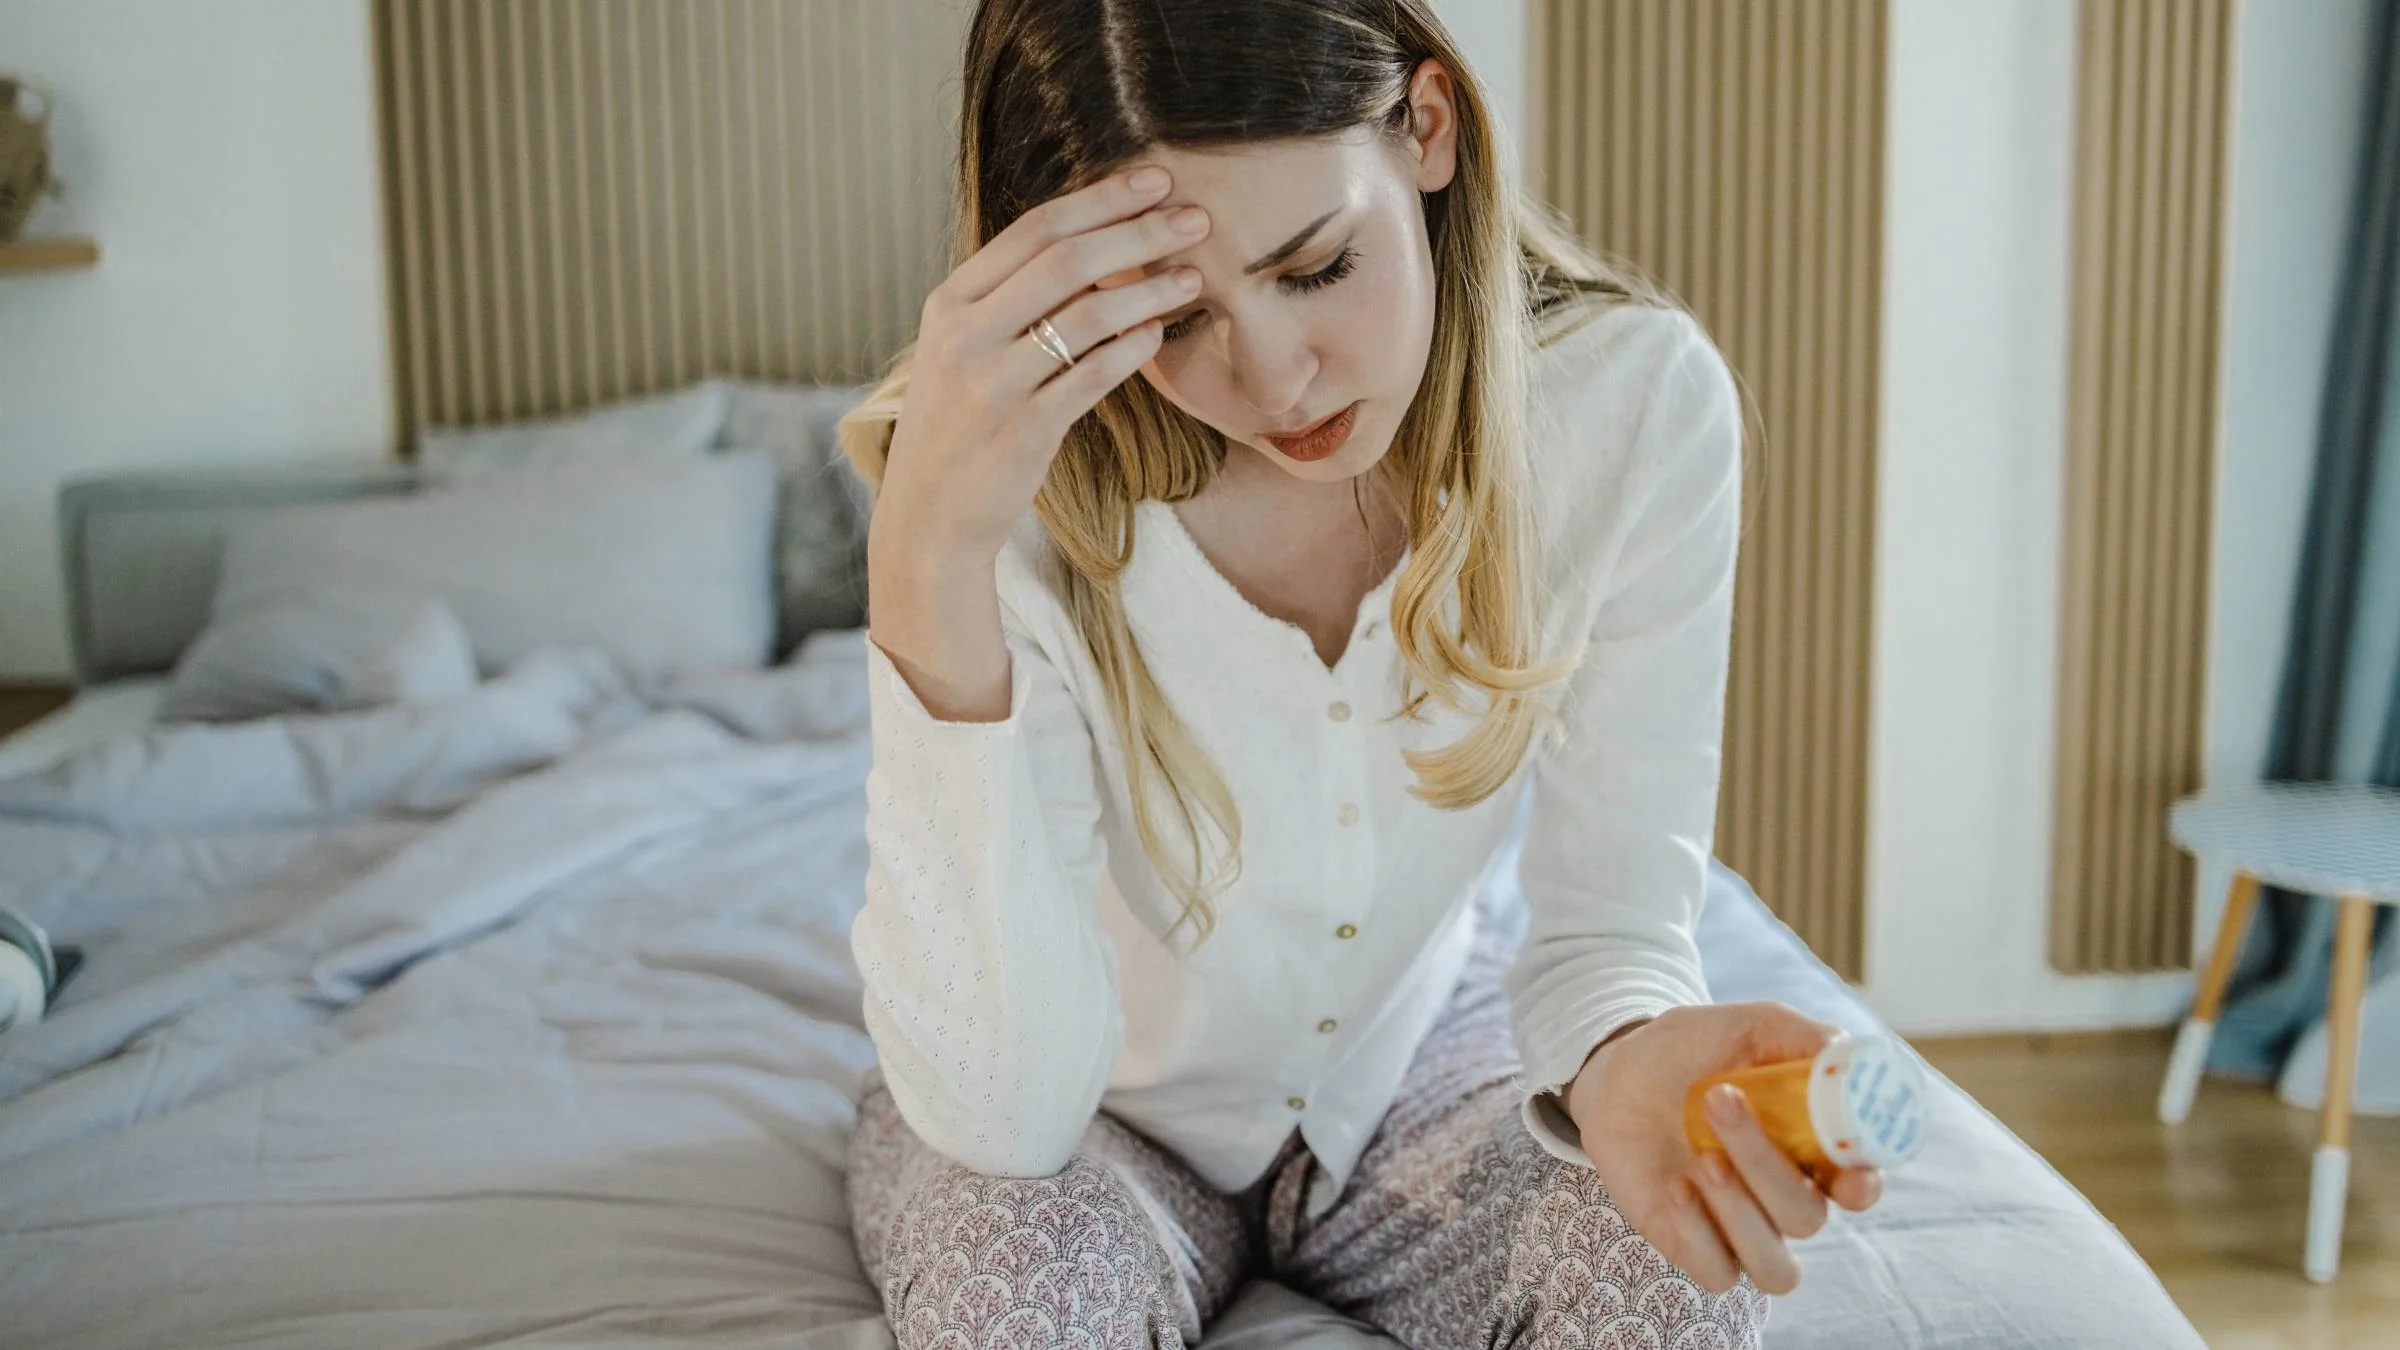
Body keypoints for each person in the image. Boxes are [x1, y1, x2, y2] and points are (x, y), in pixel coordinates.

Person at [837, 1, 1882, 1345]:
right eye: (1172, 318)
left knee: (1668, 1279)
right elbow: (1004, 1112)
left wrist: (1622, 1057)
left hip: (1415, 1075)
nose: (1273, 378)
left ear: (1428, 128)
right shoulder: (1013, 495)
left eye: (1318, 265)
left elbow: (1611, 932)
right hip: (1091, 1115)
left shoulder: (1632, 409)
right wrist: (928, 559)